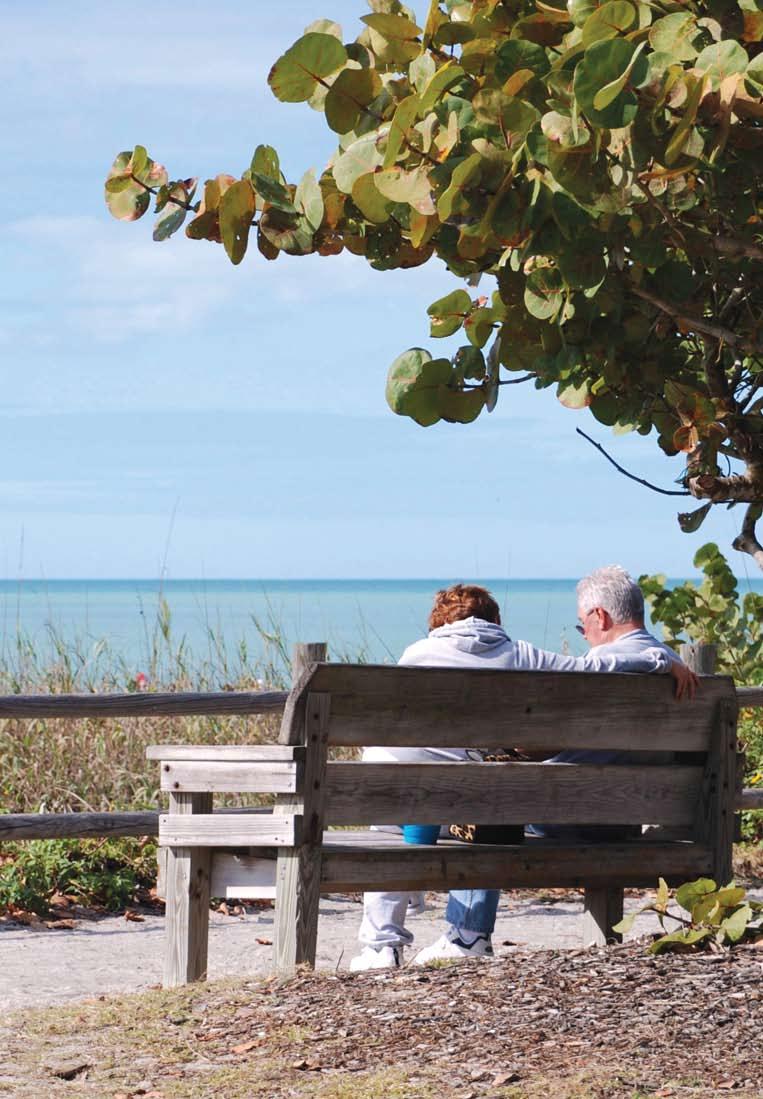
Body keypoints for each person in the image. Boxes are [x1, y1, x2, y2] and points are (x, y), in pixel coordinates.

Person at [349, 572, 696, 972]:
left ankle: (385, 945)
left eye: (582, 625)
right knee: (493, 802)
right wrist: (662, 657)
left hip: (408, 804)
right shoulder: (524, 656)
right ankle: (467, 933)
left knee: (425, 816)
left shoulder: (416, 654)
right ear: (495, 622)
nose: (582, 633)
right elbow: (599, 669)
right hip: (610, 815)